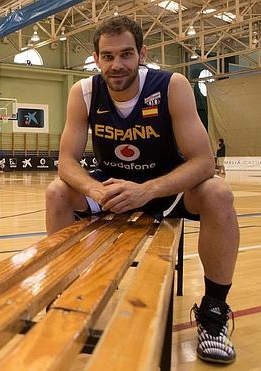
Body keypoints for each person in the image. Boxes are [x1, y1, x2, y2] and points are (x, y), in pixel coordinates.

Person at [45, 15, 238, 364]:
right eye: (107, 56)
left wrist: (147, 190)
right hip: (111, 188)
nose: (116, 65)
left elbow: (203, 162)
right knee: (56, 191)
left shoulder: (172, 85)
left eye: (126, 54)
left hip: (165, 186)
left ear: (142, 53)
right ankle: (68, 295)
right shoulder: (84, 92)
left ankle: (213, 312)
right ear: (96, 58)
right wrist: (96, 190)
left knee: (218, 193)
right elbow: (66, 162)